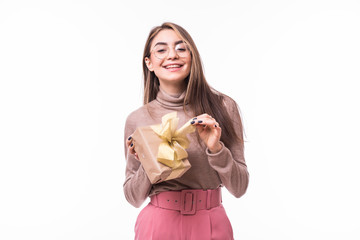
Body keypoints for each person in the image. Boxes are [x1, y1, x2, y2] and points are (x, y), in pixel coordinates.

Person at [123, 22, 249, 240]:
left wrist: (216, 148)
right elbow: (133, 197)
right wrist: (150, 161)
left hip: (211, 223)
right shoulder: (138, 119)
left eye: (181, 48)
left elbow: (239, 188)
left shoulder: (224, 107)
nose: (172, 55)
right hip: (158, 224)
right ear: (149, 63)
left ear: (193, 57)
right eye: (161, 50)